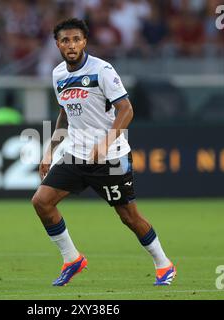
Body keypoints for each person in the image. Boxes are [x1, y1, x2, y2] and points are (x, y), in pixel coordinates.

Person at [31, 18, 176, 287]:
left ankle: (163, 263)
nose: (71, 45)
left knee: (128, 217)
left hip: (110, 158)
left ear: (84, 41)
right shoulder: (58, 75)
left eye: (76, 39)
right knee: (41, 201)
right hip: (75, 154)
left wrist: (106, 142)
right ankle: (72, 259)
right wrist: (50, 150)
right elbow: (65, 113)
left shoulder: (102, 70)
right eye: (65, 40)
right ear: (58, 44)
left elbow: (127, 110)